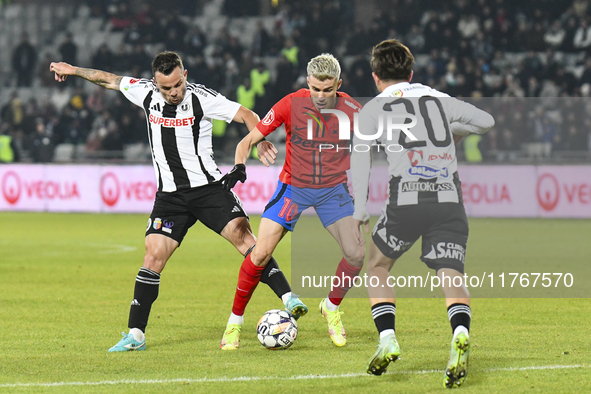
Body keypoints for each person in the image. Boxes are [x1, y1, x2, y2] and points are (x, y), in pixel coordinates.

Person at [49, 51, 304, 352]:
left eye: (177, 85)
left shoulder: (201, 98)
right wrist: (73, 69)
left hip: (209, 188)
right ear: (155, 83)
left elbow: (247, 115)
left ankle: (289, 298)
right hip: (170, 196)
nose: (173, 92)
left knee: (243, 237)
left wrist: (259, 139)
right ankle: (136, 335)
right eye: (166, 88)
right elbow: (108, 79)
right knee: (153, 255)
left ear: (185, 73)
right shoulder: (146, 93)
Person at [350, 39, 494, 388]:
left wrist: (360, 210)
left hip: (407, 199)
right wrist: (450, 136)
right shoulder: (438, 99)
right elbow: (486, 121)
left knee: (377, 265)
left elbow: (361, 157)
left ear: (375, 77)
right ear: (411, 72)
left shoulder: (372, 109)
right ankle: (459, 331)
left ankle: (387, 339)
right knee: (451, 270)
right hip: (448, 198)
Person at [220, 53, 366, 349]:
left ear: (339, 84)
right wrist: (243, 162)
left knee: (356, 254)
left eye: (328, 90)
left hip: (333, 190)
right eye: (315, 89)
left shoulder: (353, 110)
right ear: (307, 83)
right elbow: (247, 140)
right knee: (259, 254)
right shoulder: (289, 103)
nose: (321, 96)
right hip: (293, 188)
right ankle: (234, 323)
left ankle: (331, 307)